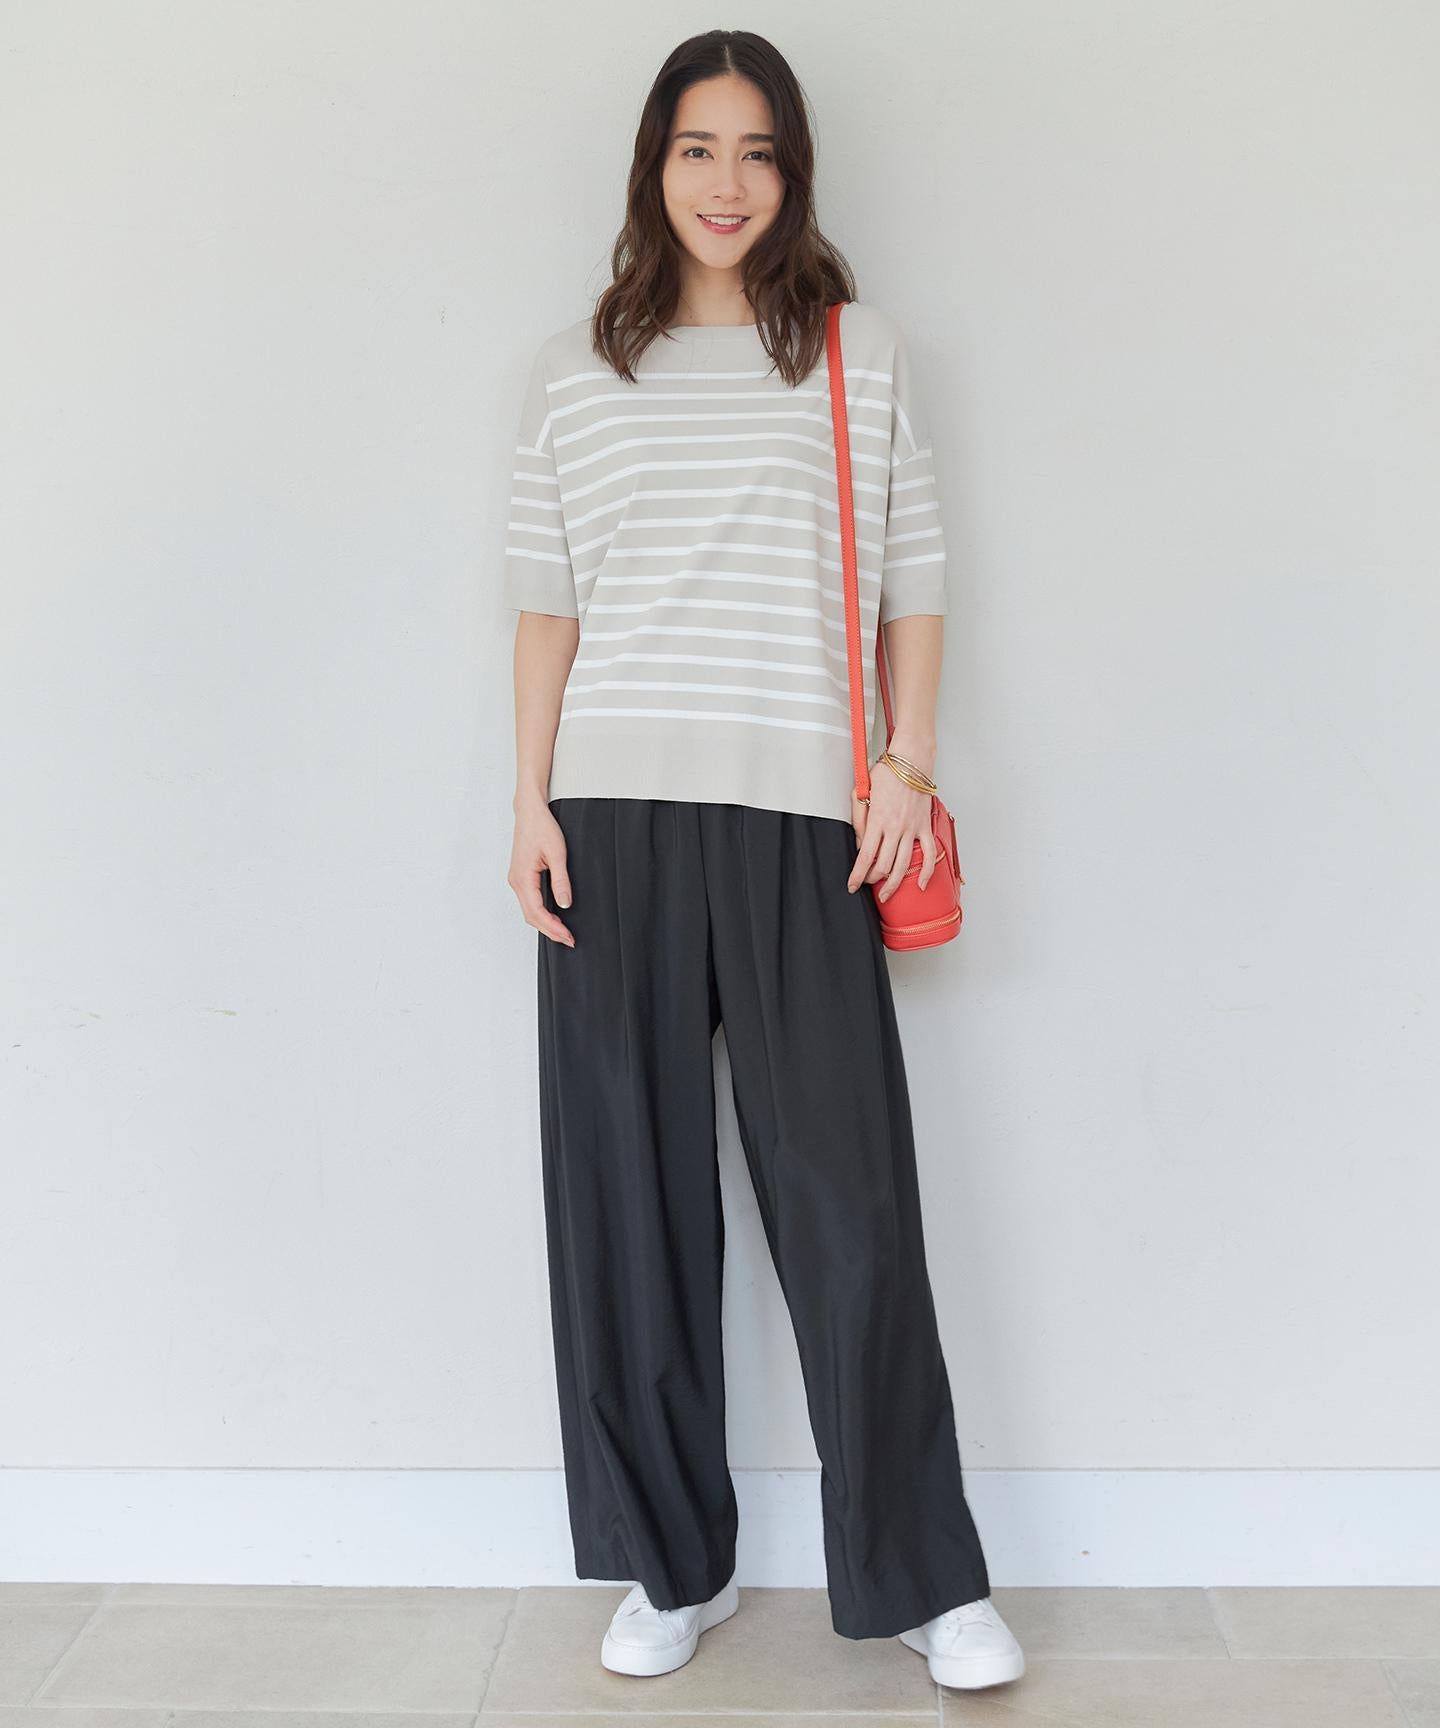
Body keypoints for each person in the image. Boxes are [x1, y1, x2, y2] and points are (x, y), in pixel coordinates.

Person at [501, 28, 1024, 1695]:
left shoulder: (858, 356)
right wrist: (527, 800)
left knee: (849, 1205)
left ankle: (925, 1576)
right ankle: (676, 1566)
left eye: (757, 152)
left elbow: (914, 579)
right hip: (611, 820)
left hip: (808, 819)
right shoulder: (576, 372)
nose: (726, 184)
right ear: (652, 167)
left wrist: (907, 763)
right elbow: (547, 607)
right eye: (696, 149)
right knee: (629, 1207)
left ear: (792, 172)